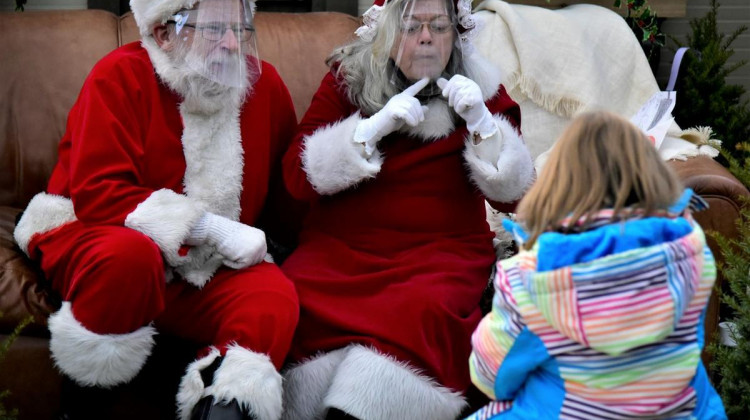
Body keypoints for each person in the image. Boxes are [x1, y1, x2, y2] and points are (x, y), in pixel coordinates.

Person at [12, 1, 300, 419]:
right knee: (131, 258)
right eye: (216, 30)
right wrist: (213, 229)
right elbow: (99, 193)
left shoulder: (264, 86)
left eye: (241, 29)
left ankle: (220, 409)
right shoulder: (119, 75)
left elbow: (287, 201)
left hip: (199, 268)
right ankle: (82, 409)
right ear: (165, 34)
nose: (233, 44)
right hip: (92, 232)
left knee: (273, 297)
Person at [279, 0, 534, 419]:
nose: (427, 37)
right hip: (340, 250)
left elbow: (516, 196)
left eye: (439, 26)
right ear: (388, 32)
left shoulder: (480, 88)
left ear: (458, 32)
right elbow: (295, 176)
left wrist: (483, 123)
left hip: (441, 254)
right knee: (291, 294)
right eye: (412, 25)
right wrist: (368, 131)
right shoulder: (349, 79)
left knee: (422, 308)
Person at [466, 111, 727, 420]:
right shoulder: (687, 255)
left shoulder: (535, 277)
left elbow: (491, 375)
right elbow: (688, 351)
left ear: (559, 184)